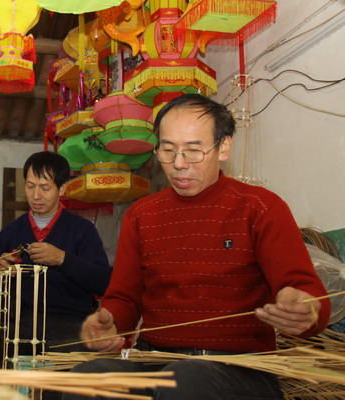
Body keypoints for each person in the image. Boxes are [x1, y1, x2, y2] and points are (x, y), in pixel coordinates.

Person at [63, 94, 330, 400]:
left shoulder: (260, 208)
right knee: (89, 379)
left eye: (193, 151)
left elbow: (305, 290)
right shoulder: (142, 215)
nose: (178, 164)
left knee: (185, 380)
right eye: (167, 150)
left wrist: (305, 308)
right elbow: (124, 297)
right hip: (156, 362)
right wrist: (110, 325)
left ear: (224, 147)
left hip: (239, 369)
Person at [0, 151, 112, 361]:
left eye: (45, 188)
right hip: (17, 324)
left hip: (67, 325)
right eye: (30, 186)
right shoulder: (13, 230)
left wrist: (63, 259)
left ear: (62, 188)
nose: (36, 195)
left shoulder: (82, 230)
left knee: (73, 357)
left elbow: (103, 282)